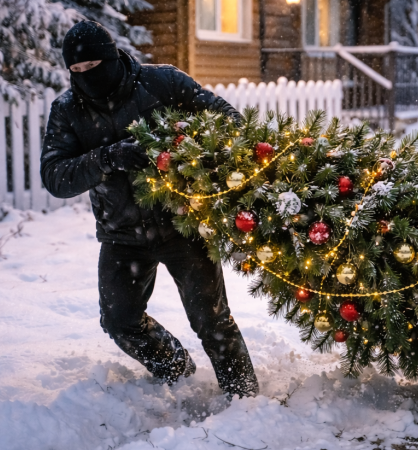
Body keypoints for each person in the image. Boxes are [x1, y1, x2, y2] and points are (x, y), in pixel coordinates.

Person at [40, 20, 259, 398]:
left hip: (181, 224)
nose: (87, 76)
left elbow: (228, 120)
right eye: (77, 69)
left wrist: (182, 146)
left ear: (111, 58)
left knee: (212, 320)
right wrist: (108, 157)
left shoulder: (162, 83)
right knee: (119, 320)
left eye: (93, 66)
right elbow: (55, 176)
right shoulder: (67, 110)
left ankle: (244, 398)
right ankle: (177, 368)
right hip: (122, 234)